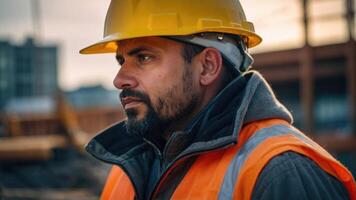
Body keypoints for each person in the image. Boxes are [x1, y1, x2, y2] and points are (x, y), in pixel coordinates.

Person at [80, 0, 356, 199]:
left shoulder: (280, 172)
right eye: (121, 60)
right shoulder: (128, 170)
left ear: (207, 66)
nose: (120, 79)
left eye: (144, 57)